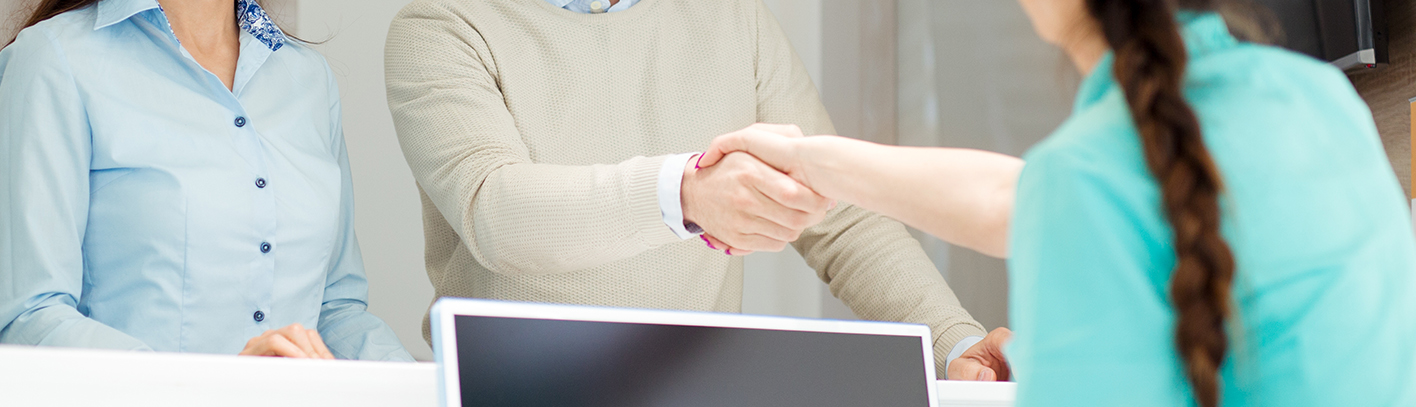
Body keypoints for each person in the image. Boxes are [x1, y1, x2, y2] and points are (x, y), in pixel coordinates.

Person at [697, 0, 1416, 404]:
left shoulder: (1085, 180)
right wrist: (816, 158)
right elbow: (1012, 197)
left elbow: (1054, 197)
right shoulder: (1323, 103)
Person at [384, 0, 1008, 379]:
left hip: (696, 388)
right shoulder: (440, 24)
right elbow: (497, 212)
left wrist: (954, 342)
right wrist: (684, 195)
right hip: (511, 388)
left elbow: (839, 217)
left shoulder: (734, 16)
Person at [0, 0, 412, 361]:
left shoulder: (307, 78)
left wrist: (431, 384)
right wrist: (199, 387)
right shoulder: (53, 59)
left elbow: (336, 311)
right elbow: (32, 320)